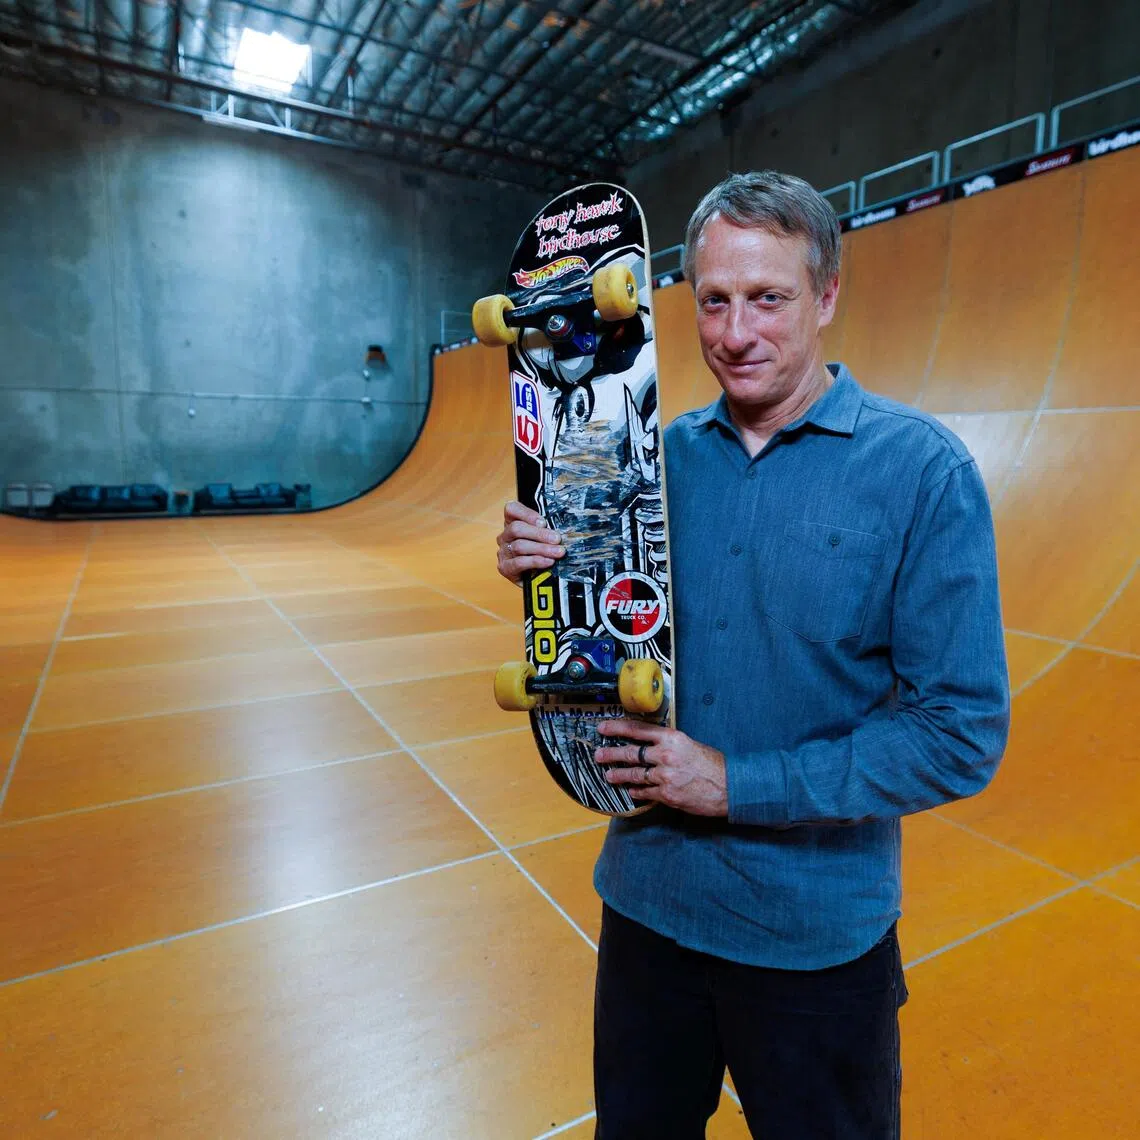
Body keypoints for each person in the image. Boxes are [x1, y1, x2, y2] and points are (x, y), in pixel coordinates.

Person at [496, 170, 1010, 1139]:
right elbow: (598, 629)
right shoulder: (650, 463)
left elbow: (960, 735)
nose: (736, 335)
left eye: (769, 299)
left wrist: (735, 784)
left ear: (827, 297)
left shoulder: (921, 474)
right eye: (715, 299)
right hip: (647, 916)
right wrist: (544, 567)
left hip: (815, 945)